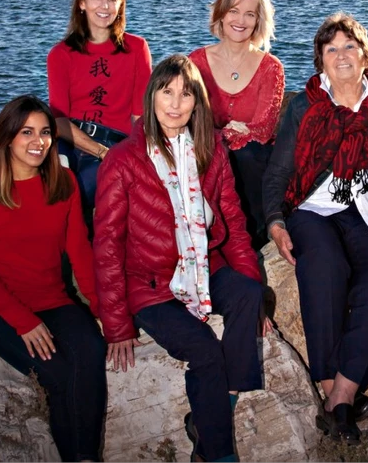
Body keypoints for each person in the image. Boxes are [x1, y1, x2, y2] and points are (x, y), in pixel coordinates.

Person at [93, 54, 267, 463]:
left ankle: (214, 411)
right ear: (152, 97)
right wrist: (117, 325)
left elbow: (236, 224)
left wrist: (255, 296)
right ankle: (219, 454)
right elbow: (106, 245)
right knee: (205, 349)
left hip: (203, 266)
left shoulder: (210, 151)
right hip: (149, 284)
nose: (175, 103)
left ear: (197, 103)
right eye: (166, 92)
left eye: (185, 94)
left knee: (246, 293)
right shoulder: (123, 160)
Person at [263, 13, 368, 444]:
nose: (341, 55)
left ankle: (339, 397)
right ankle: (338, 398)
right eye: (331, 49)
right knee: (323, 267)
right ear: (320, 62)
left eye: (350, 47)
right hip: (314, 207)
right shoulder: (305, 106)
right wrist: (274, 220)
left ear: (365, 55)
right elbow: (278, 170)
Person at [0, 95, 107, 462]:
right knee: (57, 374)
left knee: (90, 351)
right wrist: (24, 323)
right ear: (7, 138)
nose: (38, 141)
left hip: (55, 300)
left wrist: (104, 308)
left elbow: (80, 252)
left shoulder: (66, 184)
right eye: (27, 132)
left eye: (44, 132)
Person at [47, 0, 153, 229]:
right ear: (82, 3)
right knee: (58, 192)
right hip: (69, 141)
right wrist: (99, 151)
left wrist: (129, 154)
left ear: (120, 5)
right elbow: (58, 120)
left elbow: (142, 116)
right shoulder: (61, 54)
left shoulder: (137, 49)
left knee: (82, 190)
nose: (104, 6)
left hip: (116, 143)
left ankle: (88, 263)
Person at [189, 0, 285, 251]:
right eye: (233, 11)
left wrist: (225, 132)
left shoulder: (271, 68)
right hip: (207, 149)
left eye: (250, 14)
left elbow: (263, 129)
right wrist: (228, 132)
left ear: (258, 21)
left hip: (252, 160)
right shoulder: (195, 62)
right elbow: (188, 119)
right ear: (221, 13)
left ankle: (254, 242)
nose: (240, 20)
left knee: (248, 154)